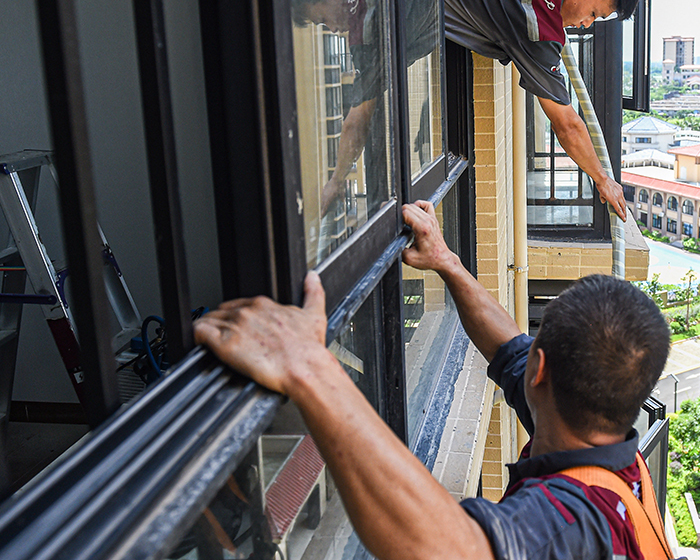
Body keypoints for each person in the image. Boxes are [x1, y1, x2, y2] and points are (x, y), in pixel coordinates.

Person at [195, 200, 674, 560]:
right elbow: (508, 347)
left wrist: (309, 368)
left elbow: (448, 550)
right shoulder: (607, 457)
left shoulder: (573, 523)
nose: (525, 354)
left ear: (541, 372)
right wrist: (446, 261)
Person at [293, 0, 639, 221]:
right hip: (401, 9)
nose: (585, 24)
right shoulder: (538, 26)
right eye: (594, 14)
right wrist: (603, 178)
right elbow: (566, 123)